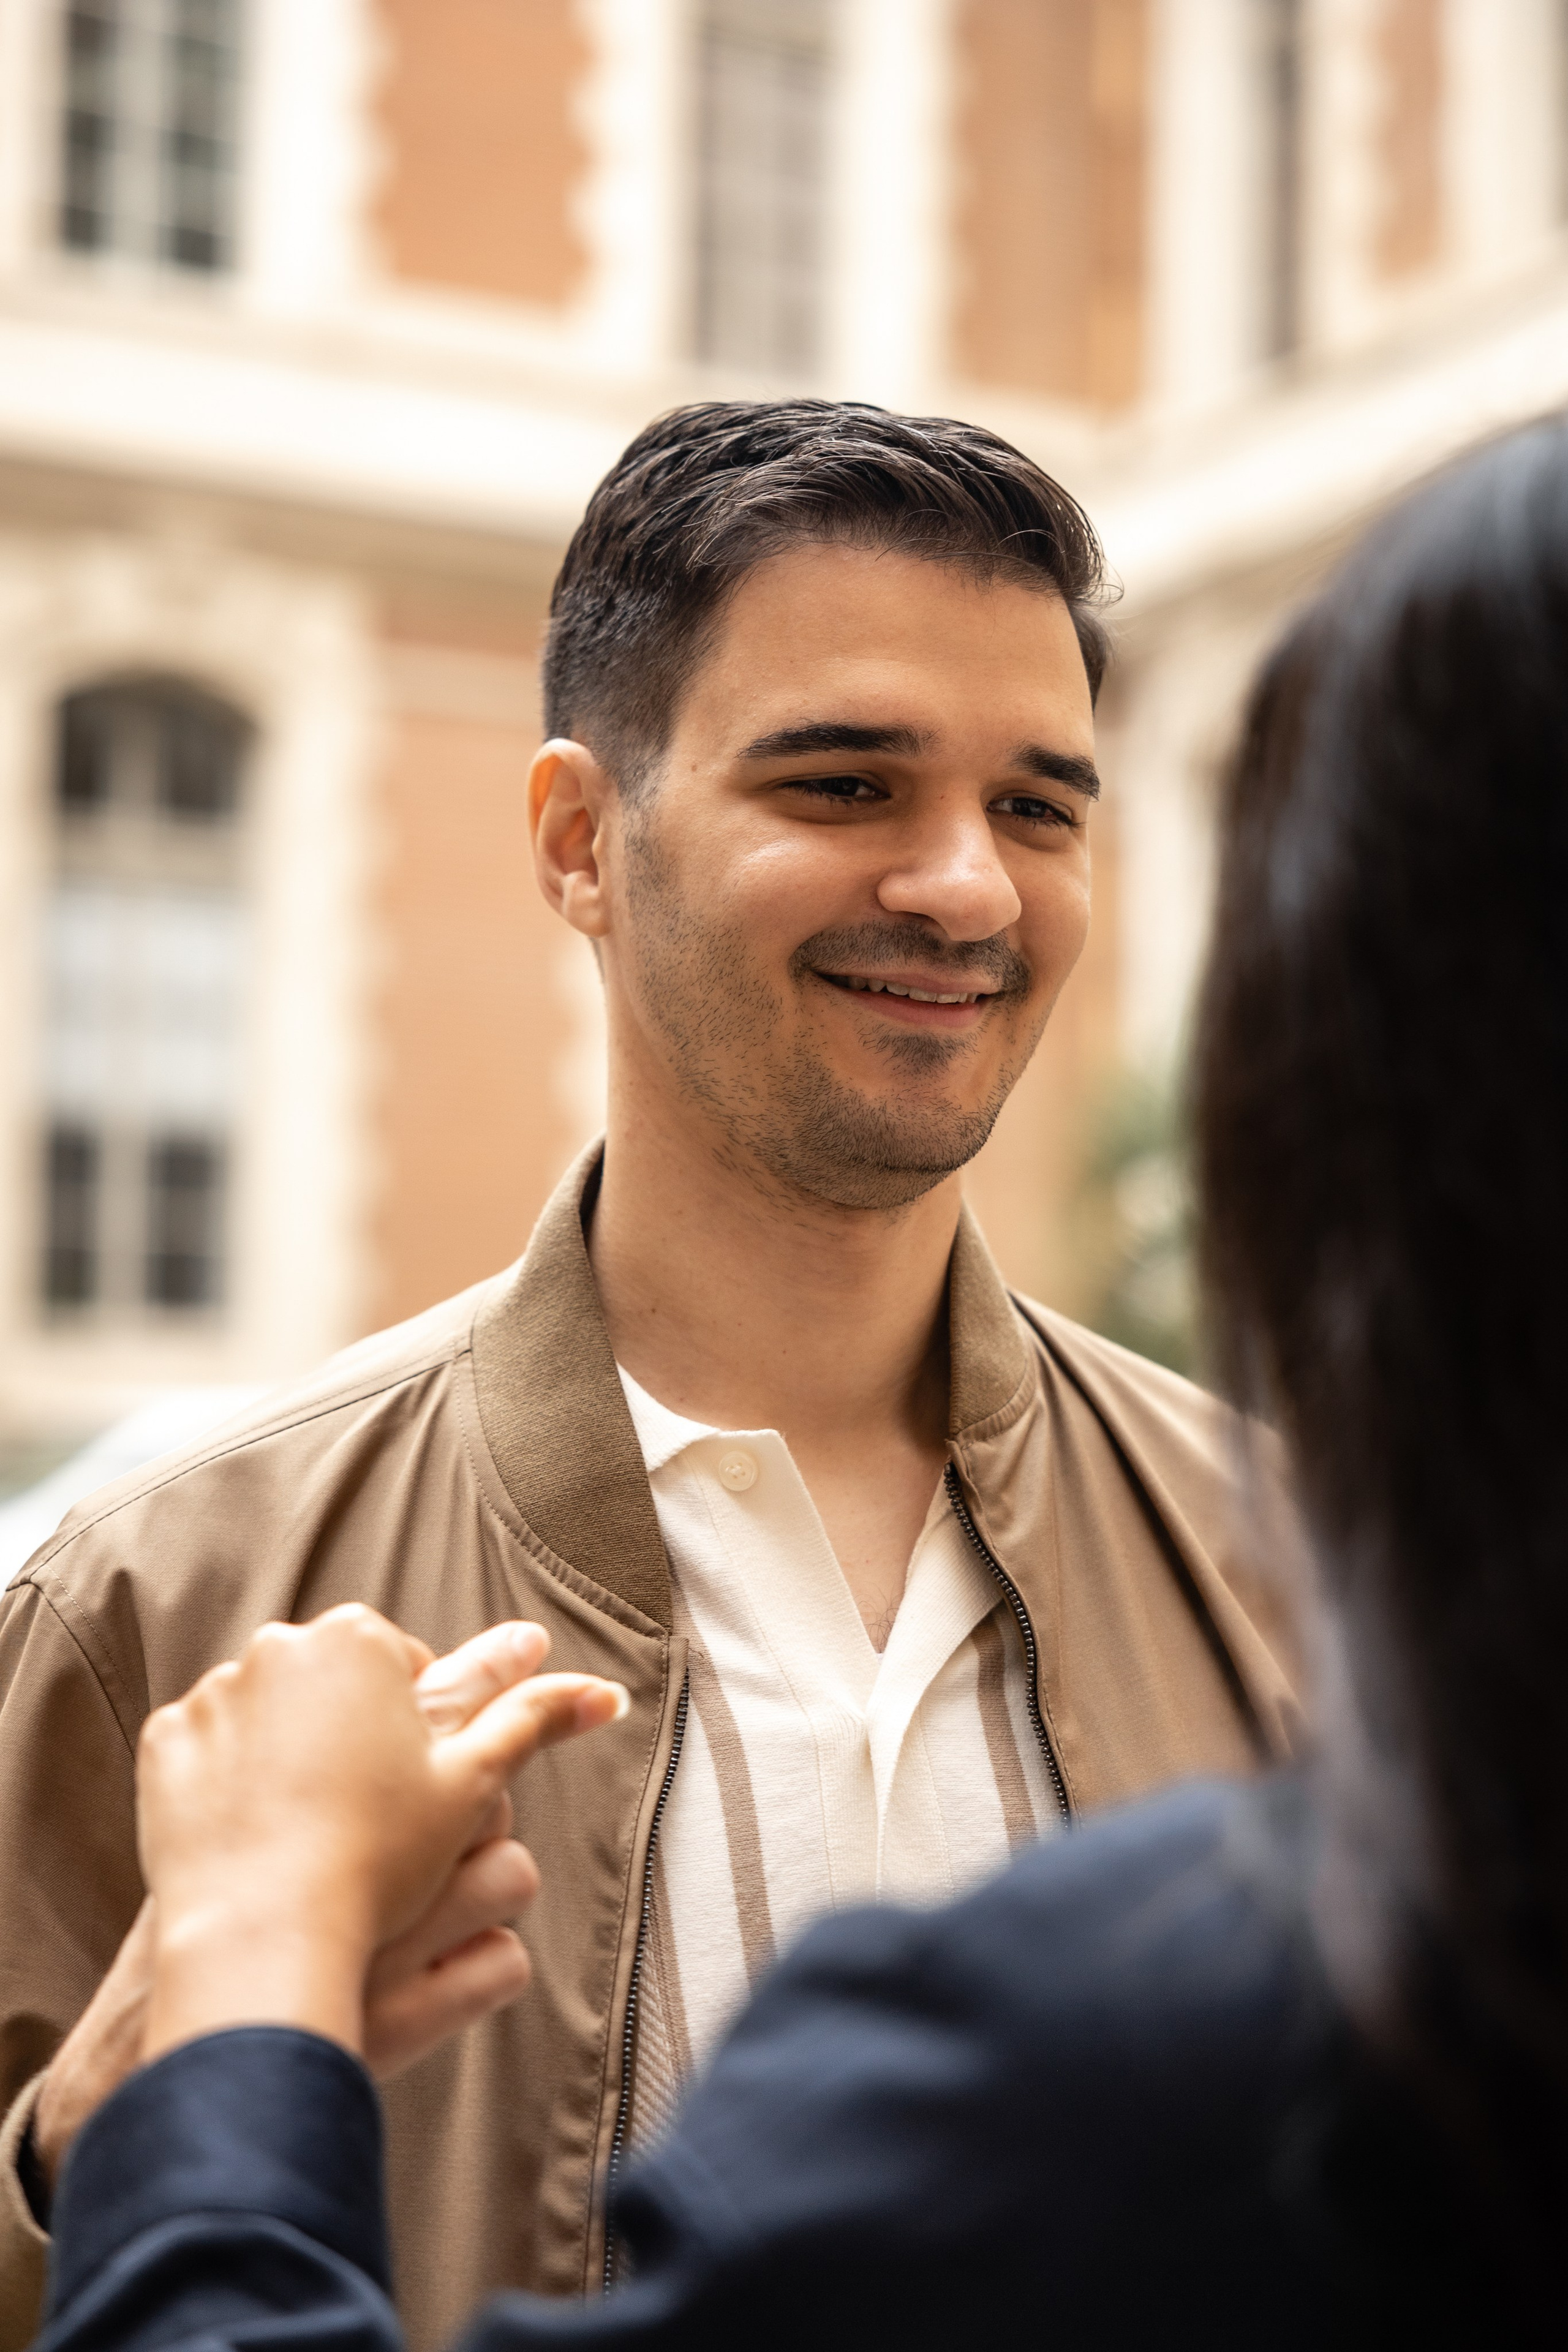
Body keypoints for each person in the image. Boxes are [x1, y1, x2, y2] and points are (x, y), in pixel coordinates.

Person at [32, 405, 1568, 2350]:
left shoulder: (1319, 1569)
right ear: (583, 843)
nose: (969, 888)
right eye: (847, 784)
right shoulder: (141, 1607)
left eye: (1041, 806)